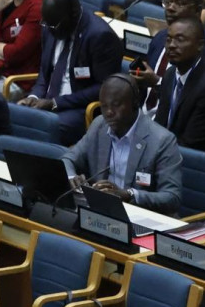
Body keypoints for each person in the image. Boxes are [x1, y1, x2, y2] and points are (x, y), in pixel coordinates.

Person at [66, 76, 184, 213]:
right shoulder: (100, 125)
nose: (109, 112)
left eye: (116, 105)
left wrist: (129, 195)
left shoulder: (162, 140)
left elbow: (172, 197)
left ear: (134, 103)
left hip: (140, 215)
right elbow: (68, 159)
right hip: (100, 211)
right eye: (104, 106)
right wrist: (71, 177)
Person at [140, 18, 205, 155]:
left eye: (180, 40)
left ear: (200, 46)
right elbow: (160, 126)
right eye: (168, 40)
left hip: (198, 163)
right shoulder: (170, 74)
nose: (171, 45)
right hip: (170, 151)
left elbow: (191, 143)